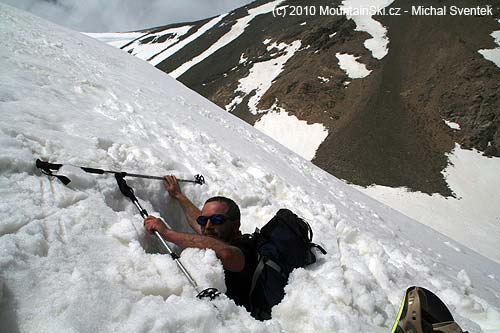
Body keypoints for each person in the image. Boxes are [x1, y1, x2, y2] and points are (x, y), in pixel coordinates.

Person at [143, 175, 257, 311]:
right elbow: (201, 225)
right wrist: (179, 195)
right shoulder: (216, 232)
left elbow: (225, 253)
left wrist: (168, 233)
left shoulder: (245, 248)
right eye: (204, 220)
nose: (207, 226)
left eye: (217, 219)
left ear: (235, 225)